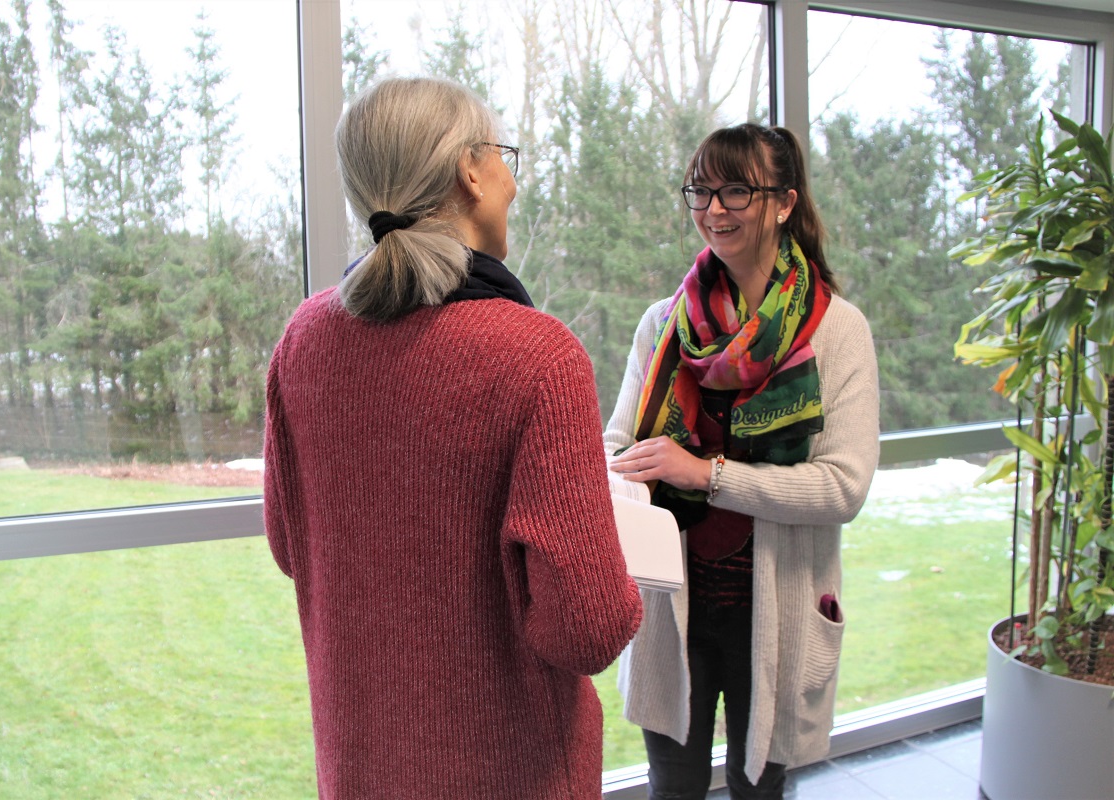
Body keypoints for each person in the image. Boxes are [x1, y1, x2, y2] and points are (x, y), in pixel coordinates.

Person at [262, 76, 643, 800]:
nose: (511, 181)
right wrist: (622, 570)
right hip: (511, 772)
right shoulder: (538, 356)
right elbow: (588, 630)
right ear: (472, 168)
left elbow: (293, 546)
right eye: (504, 157)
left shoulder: (302, 344)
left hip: (361, 765)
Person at [606, 123, 880, 799]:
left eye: (736, 190)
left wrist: (706, 476)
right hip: (674, 605)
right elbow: (619, 448)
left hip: (776, 605)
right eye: (702, 189)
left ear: (784, 202)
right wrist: (630, 476)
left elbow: (843, 487)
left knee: (759, 785)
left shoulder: (836, 331)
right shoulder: (662, 324)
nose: (714, 209)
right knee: (673, 786)